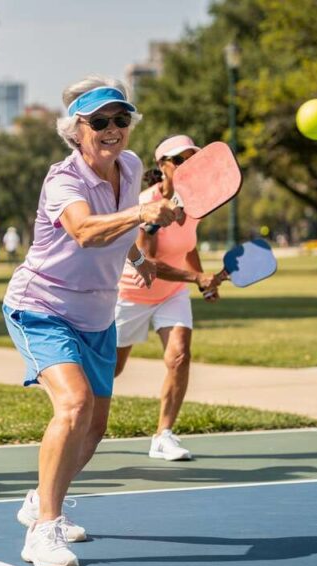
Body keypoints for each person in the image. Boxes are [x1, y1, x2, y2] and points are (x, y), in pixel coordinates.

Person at [2, 76, 178, 566]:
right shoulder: (64, 180)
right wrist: (142, 212)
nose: (112, 128)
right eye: (98, 122)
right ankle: (42, 532)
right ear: (76, 131)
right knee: (74, 405)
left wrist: (138, 259)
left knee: (95, 427)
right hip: (43, 306)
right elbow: (83, 230)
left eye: (121, 119)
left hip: (98, 315)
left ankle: (41, 499)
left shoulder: (133, 165)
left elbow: (118, 230)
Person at [113, 135, 221, 462]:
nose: (189, 166)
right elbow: (148, 263)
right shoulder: (144, 203)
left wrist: (204, 283)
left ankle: (164, 435)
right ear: (163, 166)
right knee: (111, 370)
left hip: (172, 293)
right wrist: (196, 278)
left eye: (193, 159)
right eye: (180, 160)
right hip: (130, 292)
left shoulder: (196, 204)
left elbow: (188, 247)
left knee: (179, 357)